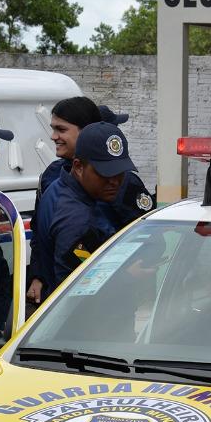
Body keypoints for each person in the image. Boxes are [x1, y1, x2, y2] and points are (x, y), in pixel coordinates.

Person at [42, 122, 147, 296]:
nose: (114, 181)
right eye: (105, 173)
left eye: (120, 172)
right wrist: (128, 275)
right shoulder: (76, 220)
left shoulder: (59, 188)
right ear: (78, 167)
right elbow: (77, 291)